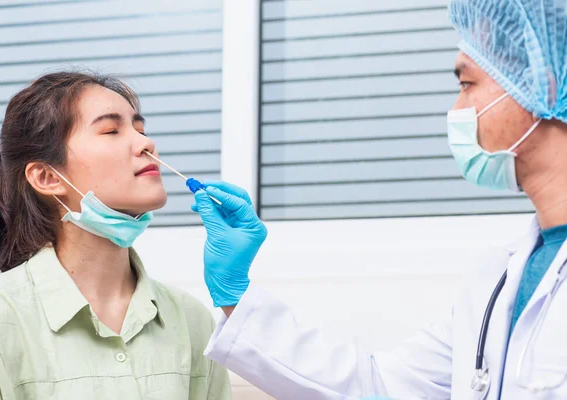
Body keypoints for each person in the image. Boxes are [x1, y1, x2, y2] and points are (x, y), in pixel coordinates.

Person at [190, 1, 567, 399]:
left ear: (544, 86)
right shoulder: (496, 279)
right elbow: (381, 388)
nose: (457, 111)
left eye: (467, 84)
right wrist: (235, 295)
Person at [0, 72, 232, 399]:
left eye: (140, 129)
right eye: (111, 130)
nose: (146, 144)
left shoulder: (192, 320)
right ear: (48, 177)